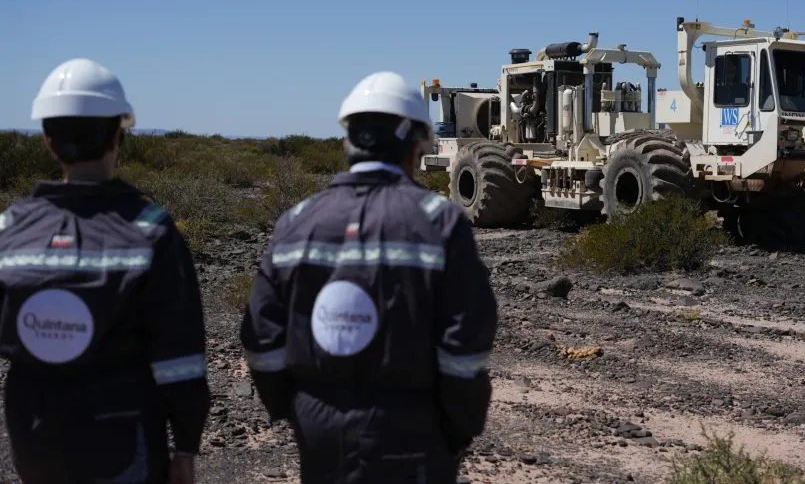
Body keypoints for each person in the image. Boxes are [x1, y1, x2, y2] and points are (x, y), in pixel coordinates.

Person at [240, 70, 499, 483]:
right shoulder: (439, 223)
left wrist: (295, 409)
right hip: (413, 430)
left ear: (347, 142)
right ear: (415, 144)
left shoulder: (296, 222)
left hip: (319, 430)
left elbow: (261, 337)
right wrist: (457, 427)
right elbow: (466, 343)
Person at [0, 58, 211, 484]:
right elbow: (179, 355)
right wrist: (186, 446)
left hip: (33, 437)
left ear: (48, 141)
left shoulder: (10, 229)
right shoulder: (149, 230)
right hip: (120, 439)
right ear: (118, 135)